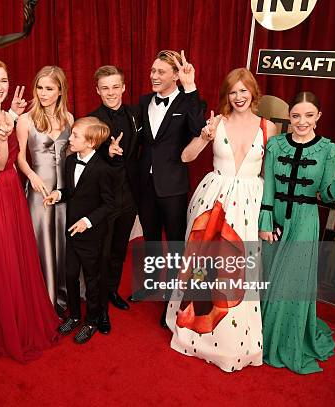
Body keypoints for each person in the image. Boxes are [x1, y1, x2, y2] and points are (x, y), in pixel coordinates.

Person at [165, 68, 276, 372]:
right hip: (213, 201)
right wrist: (203, 136)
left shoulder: (269, 128)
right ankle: (194, 327)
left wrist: (269, 214)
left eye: (244, 91)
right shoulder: (217, 122)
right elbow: (187, 157)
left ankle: (232, 340)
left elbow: (271, 175)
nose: (239, 97)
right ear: (226, 95)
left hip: (250, 203)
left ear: (253, 92)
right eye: (233, 92)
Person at [258, 91, 335, 374]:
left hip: (305, 221)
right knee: (267, 277)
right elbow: (268, 184)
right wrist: (265, 221)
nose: (301, 122)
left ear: (318, 117)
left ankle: (280, 340)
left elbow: (328, 197)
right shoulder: (276, 144)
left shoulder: (329, 150)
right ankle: (258, 337)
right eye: (295, 116)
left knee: (289, 282)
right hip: (275, 215)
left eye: (308, 115)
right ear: (289, 117)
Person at [0, 59, 59, 362]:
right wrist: (2, 134)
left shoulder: (5, 114)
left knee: (17, 256)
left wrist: (7, 132)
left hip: (11, 192)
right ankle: (6, 328)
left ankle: (23, 319)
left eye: (3, 80)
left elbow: (10, 162)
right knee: (2, 258)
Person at [134, 50, 206, 327]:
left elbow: (200, 128)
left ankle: (173, 300)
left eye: (160, 72)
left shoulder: (189, 101)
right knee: (150, 238)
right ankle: (150, 285)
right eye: (152, 70)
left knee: (176, 243)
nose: (153, 76)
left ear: (176, 75)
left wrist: (191, 87)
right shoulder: (143, 102)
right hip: (145, 183)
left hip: (173, 186)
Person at [44, 117, 115, 344]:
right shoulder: (71, 162)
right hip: (71, 231)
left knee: (92, 279)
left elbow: (109, 204)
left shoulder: (103, 169)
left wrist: (88, 221)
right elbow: (69, 191)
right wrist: (58, 194)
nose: (70, 138)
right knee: (71, 275)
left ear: (91, 142)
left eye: (75, 136)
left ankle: (92, 321)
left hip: (92, 235)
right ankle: (74, 315)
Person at [87, 65, 141, 334]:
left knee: (120, 251)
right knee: (102, 253)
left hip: (129, 196)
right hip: (103, 199)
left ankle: (112, 292)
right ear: (97, 90)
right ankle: (99, 310)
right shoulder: (91, 121)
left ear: (123, 87)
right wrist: (106, 151)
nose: (110, 92)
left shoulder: (134, 114)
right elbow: (83, 159)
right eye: (104, 88)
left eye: (115, 86)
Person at [16, 66, 73, 315]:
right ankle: (46, 301)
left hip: (64, 190)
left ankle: (64, 297)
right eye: (39, 88)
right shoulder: (26, 120)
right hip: (39, 189)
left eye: (49, 88)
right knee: (43, 243)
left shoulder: (69, 119)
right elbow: (19, 157)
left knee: (63, 240)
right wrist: (32, 176)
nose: (43, 93)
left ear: (60, 90)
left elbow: (72, 154)